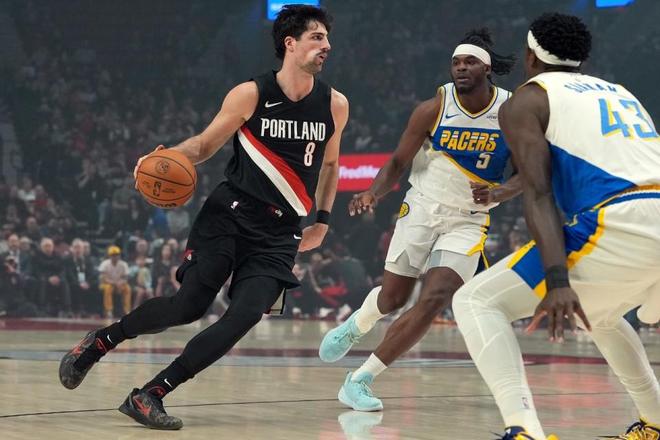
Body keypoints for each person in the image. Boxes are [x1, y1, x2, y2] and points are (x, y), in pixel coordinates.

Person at [59, 4, 348, 430]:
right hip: (230, 215)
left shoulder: (335, 104)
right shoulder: (251, 93)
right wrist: (164, 157)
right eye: (317, 37)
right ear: (290, 43)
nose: (326, 46)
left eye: (326, 38)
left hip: (280, 232)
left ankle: (150, 394)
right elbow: (204, 145)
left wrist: (322, 221)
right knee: (188, 306)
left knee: (244, 316)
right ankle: (102, 340)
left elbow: (331, 165)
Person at [451, 13, 660, 440]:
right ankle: (656, 420)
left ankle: (523, 429)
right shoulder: (620, 92)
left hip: (619, 222)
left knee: (475, 301)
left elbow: (538, 191)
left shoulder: (526, 100)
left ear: (530, 56)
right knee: (599, 316)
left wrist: (557, 279)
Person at [319, 29, 520, 411]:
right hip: (423, 208)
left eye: (470, 62)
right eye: (456, 62)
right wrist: (372, 193)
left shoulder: (511, 112)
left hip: (469, 221)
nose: (461, 68)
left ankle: (360, 379)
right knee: (392, 297)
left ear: (487, 68)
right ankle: (358, 324)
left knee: (434, 299)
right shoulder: (434, 108)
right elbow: (398, 161)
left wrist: (499, 193)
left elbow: (528, 173)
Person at [98, 245, 131, 319]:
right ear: (109, 256)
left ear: (119, 256)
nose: (115, 257)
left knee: (127, 288)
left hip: (120, 283)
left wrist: (120, 283)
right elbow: (103, 278)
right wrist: (114, 283)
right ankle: (109, 310)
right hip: (107, 283)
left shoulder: (123, 264)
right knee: (108, 288)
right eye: (113, 255)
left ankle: (127, 310)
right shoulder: (105, 264)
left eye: (116, 255)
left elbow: (126, 278)